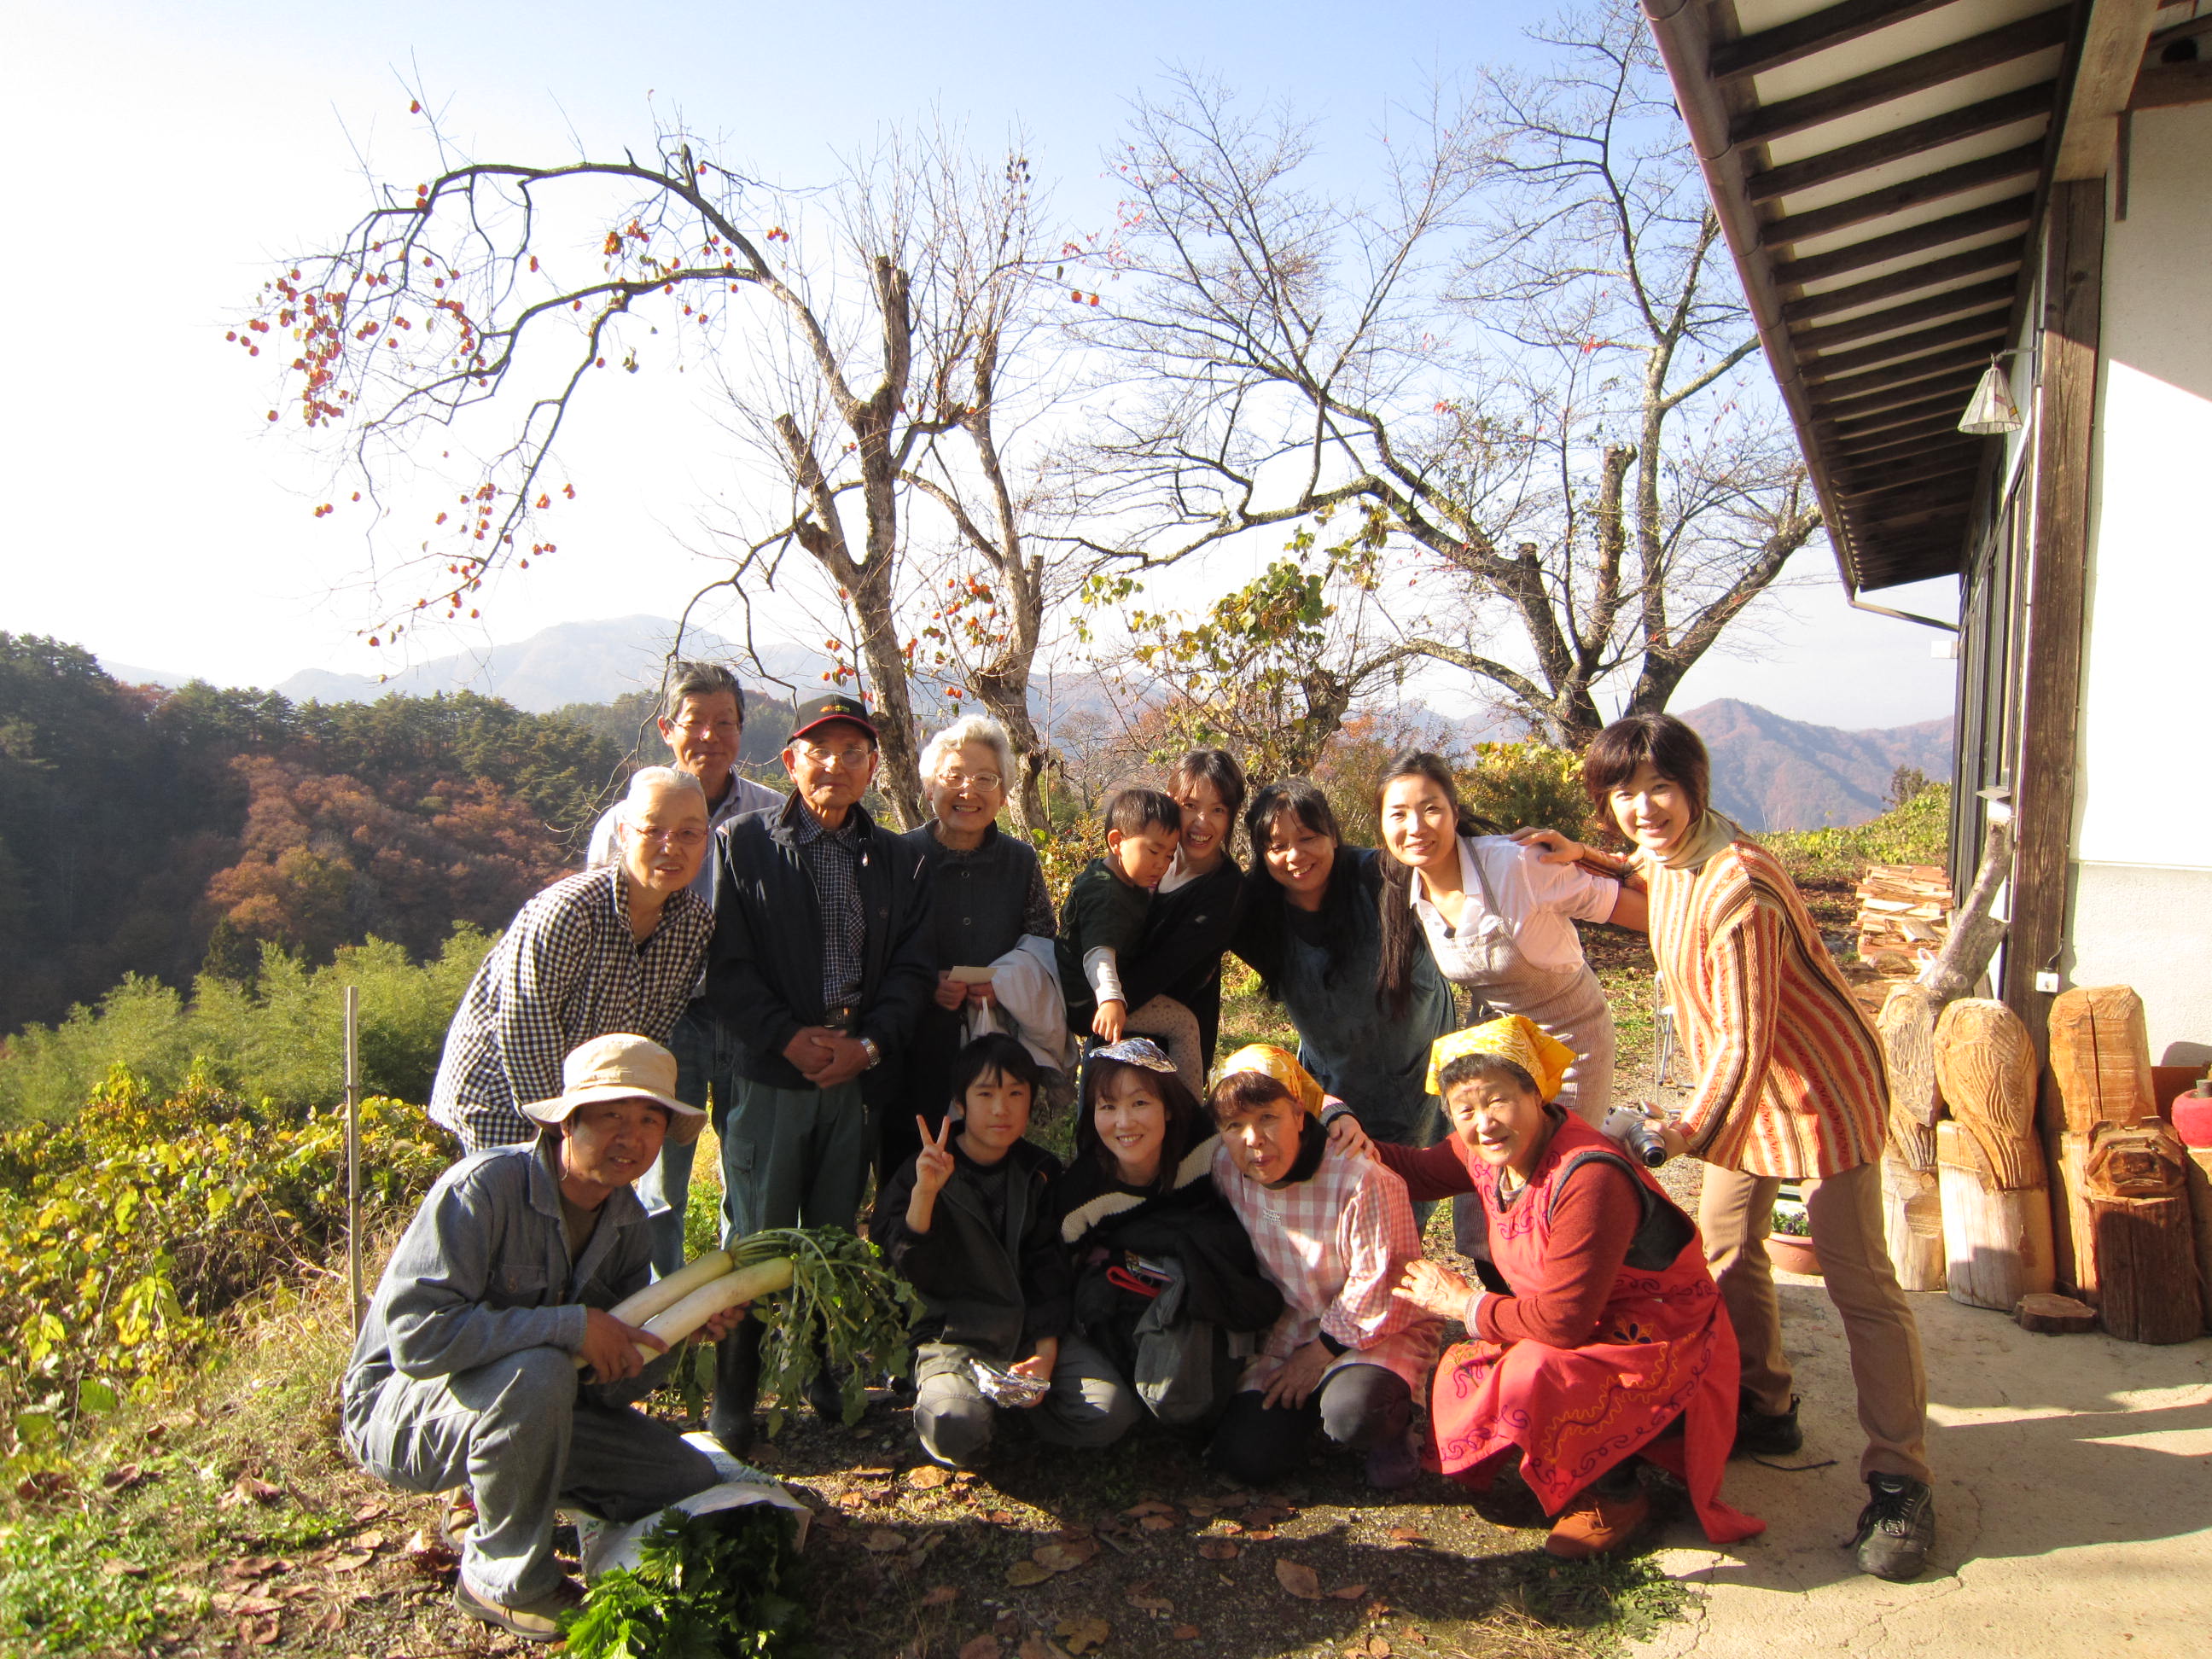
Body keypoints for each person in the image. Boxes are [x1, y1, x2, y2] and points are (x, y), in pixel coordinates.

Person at [1545, 712, 1934, 1581]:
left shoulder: (1740, 891)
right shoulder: (1671, 850)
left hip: (1821, 1089)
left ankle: (1901, 1479)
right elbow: (1644, 865)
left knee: (1860, 1284)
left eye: (1661, 789)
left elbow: (1743, 1044)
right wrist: (1585, 857)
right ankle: (1766, 1404)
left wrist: (1682, 1131)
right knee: (1725, 1246)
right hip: (1753, 1097)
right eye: (1624, 793)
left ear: (1696, 789)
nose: (1644, 808)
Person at [342, 1034, 745, 1641]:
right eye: (610, 1116)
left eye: (648, 1120)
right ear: (567, 1122)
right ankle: (502, 1580)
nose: (630, 1138)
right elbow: (416, 1339)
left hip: (532, 1407)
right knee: (541, 1370)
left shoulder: (628, 1224)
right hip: (403, 1410)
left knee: (682, 1481)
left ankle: (501, 1489)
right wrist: (571, 1326)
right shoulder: (482, 1190)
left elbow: (606, 1388)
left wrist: (683, 1333)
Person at [1348, 1017, 1761, 1559]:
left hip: (1663, 1337)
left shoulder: (1590, 1177)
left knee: (1531, 1370)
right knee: (1486, 1363)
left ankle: (1617, 1492)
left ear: (1537, 1093)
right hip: (1580, 1318)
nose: (1483, 1123)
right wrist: (1329, 1128)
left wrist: (1464, 1303)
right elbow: (1418, 1171)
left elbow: (1563, 1324)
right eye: (1464, 1110)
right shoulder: (1485, 1152)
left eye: (1498, 1100)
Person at [703, 691, 935, 1452]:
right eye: (821, 750)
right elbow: (726, 968)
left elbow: (911, 970)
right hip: (771, 1076)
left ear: (873, 766)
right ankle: (736, 1391)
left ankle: (822, 1369)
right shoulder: (743, 844)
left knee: (835, 1230)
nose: (837, 764)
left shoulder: (895, 857)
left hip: (853, 1074)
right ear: (791, 760)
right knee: (758, 1236)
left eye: (853, 752)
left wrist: (867, 1047)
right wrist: (785, 1038)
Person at [582, 661, 784, 1276]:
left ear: (742, 731)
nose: (710, 736)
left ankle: (739, 1307)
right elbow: (600, 931)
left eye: (725, 722)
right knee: (657, 1179)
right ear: (668, 729)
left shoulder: (774, 816)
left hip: (750, 1018)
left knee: (749, 1170)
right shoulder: (627, 823)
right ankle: (658, 1309)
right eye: (695, 722)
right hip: (662, 1018)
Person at [871, 1033, 1137, 1466]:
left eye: (1016, 1093)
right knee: (953, 1425)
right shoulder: (923, 1169)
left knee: (1108, 1413)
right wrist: (926, 1195)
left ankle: (1016, 1411)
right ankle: (973, 1411)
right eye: (986, 1094)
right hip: (950, 1338)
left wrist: (1045, 1356)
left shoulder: (1040, 1172)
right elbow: (906, 1272)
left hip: (1027, 1331)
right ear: (960, 1104)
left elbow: (1050, 1270)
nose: (1001, 1108)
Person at [430, 769, 713, 1155]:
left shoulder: (694, 925)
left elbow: (646, 1041)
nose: (672, 846)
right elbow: (524, 1027)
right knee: (517, 1192)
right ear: (624, 833)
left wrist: (609, 1120)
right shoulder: (571, 910)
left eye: (688, 833)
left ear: (705, 840)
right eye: (653, 830)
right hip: (500, 1097)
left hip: (592, 1110)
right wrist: (565, 1129)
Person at [1206, 1047, 1442, 1489]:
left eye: (1268, 1118)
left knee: (1356, 1413)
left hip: (1377, 1326)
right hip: (1290, 1328)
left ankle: (1393, 1424)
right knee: (1247, 1457)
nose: (1253, 1139)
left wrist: (1320, 1353)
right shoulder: (1225, 1168)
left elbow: (1378, 1283)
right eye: (1234, 1126)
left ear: (1299, 1115)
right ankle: (1312, 1415)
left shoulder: (1360, 1178)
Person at [1374, 749, 1644, 1129]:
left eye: (1431, 809)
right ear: (1382, 826)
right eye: (1399, 814)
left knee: (1561, 1156)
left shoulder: (1517, 864)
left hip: (1571, 1047)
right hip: (1500, 1053)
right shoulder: (1407, 889)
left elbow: (1635, 909)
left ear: (1455, 813)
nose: (1416, 827)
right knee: (1496, 1164)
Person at [1054, 1037, 1283, 1429]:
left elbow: (1288, 1114)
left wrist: (1338, 1115)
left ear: (1170, 1108)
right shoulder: (1081, 1196)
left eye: (1140, 1103)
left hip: (1217, 1285)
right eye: (1107, 1107)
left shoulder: (1209, 1147)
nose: (1124, 1122)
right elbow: (1060, 1271)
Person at [1233, 779, 1455, 1151]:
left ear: (1333, 835)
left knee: (1430, 1174)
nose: (1295, 856)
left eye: (1307, 838)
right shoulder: (1255, 914)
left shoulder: (1385, 878)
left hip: (1425, 1086)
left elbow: (1456, 860)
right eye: (1278, 846)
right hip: (1336, 1100)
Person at [895, 714, 1066, 1181]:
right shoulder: (900, 856)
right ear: (930, 786)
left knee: (992, 1170)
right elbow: (876, 948)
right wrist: (926, 983)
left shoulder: (1019, 860)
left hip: (997, 1049)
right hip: (914, 1047)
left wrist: (1004, 985)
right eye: (953, 776)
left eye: (986, 779)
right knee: (912, 1167)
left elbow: (1042, 940)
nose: (968, 790)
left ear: (1004, 793)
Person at [1054, 785, 1203, 1090]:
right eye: (1154, 851)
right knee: (1184, 1024)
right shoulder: (1107, 896)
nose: (1162, 864)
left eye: (1169, 855)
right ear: (1116, 842)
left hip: (1088, 994)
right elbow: (1099, 954)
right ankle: (1191, 1106)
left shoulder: (1112, 875)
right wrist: (1111, 999)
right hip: (1089, 1002)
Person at [1119, 749, 1250, 1071]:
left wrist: (1084, 1002)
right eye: (1190, 806)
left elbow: (1160, 973)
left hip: (1170, 1059)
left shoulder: (1225, 890)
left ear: (1231, 815)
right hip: (1112, 1032)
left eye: (1217, 809)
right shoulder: (1147, 857)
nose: (1201, 822)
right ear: (1170, 801)